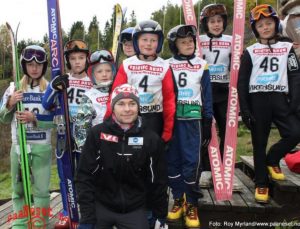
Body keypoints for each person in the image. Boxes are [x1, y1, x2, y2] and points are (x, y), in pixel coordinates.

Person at [75, 84, 168, 229]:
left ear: (138, 107)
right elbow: (83, 176)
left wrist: (160, 215)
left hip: (134, 209)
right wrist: (87, 216)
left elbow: (159, 180)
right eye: (121, 104)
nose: (127, 109)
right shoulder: (97, 134)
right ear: (113, 107)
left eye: (132, 103)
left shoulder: (151, 138)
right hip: (101, 205)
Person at [238, 4, 300, 203]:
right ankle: (261, 183)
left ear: (276, 24)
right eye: (261, 25)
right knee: (259, 141)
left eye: (269, 23)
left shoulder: (288, 47)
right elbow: (242, 83)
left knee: (295, 132)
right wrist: (245, 109)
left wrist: (295, 102)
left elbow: (295, 75)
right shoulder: (250, 51)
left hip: (280, 98)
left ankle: (273, 158)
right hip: (258, 99)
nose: (265, 27)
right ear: (255, 29)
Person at [0, 45, 54, 228]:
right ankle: (21, 224)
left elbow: (57, 121)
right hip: (19, 146)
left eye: (39, 64)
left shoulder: (50, 89)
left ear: (44, 66)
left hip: (41, 146)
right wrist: (10, 103)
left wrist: (35, 118)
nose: (34, 68)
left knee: (41, 191)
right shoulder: (14, 88)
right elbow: (3, 118)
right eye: (30, 64)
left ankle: (40, 224)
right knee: (18, 190)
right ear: (23, 65)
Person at [166, 25, 213, 228]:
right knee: (171, 162)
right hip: (172, 121)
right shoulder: (166, 65)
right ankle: (178, 198)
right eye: (183, 42)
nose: (188, 45)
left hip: (193, 121)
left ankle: (192, 203)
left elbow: (207, 93)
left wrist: (208, 119)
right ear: (174, 46)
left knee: (192, 163)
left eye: (190, 41)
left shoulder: (202, 64)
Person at [42, 39, 93, 227]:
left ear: (87, 60)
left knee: (86, 173)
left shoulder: (92, 81)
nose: (77, 62)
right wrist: (54, 87)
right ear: (67, 61)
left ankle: (88, 211)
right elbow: (46, 105)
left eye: (81, 58)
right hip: (65, 132)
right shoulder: (63, 80)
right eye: (73, 58)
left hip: (85, 134)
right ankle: (67, 211)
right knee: (65, 174)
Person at [107, 19, 176, 145]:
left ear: (159, 42)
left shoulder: (164, 66)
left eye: (153, 40)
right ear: (136, 41)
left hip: (155, 119)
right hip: (131, 118)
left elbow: (169, 101)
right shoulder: (127, 64)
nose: (149, 44)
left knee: (153, 158)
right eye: (144, 40)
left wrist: (167, 131)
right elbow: (114, 95)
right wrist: (108, 122)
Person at [199, 3, 231, 156]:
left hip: (223, 91)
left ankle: (225, 162)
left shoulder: (232, 40)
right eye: (212, 21)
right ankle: (206, 165)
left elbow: (236, 65)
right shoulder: (198, 40)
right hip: (204, 91)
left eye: (219, 21)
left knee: (226, 129)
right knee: (205, 129)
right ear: (206, 24)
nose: (216, 25)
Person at [74, 49, 116, 150]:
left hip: (118, 145)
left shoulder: (119, 90)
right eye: (99, 71)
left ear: (113, 72)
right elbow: (81, 128)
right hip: (99, 145)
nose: (104, 74)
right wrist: (86, 150)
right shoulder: (89, 96)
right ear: (92, 74)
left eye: (108, 70)